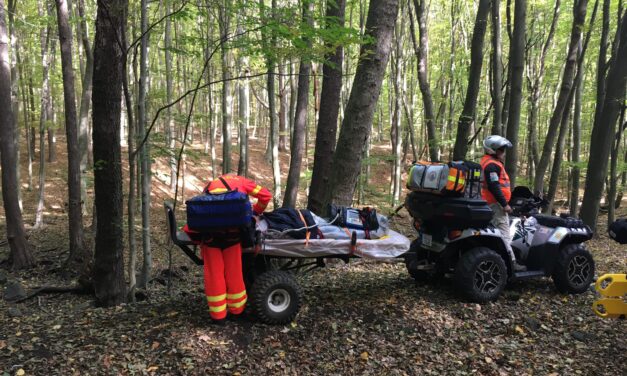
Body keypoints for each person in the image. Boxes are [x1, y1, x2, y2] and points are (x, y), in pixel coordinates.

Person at [197, 174, 272, 323]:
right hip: (233, 237)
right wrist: (255, 212)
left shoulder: (209, 185)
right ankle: (237, 311)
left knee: (214, 276)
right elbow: (266, 196)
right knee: (234, 274)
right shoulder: (243, 182)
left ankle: (218, 316)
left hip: (210, 238)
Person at [480, 135, 526, 272]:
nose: (504, 152)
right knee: (504, 234)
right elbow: (494, 186)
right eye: (502, 149)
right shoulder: (491, 165)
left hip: (491, 203)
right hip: (495, 204)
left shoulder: (487, 161)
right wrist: (504, 204)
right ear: (494, 150)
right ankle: (511, 264)